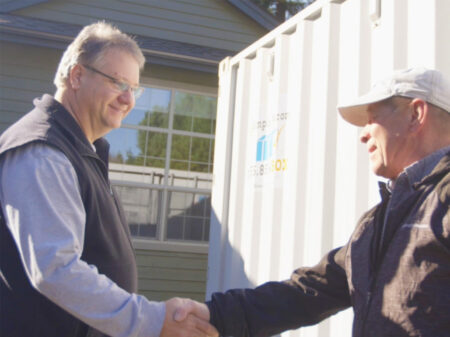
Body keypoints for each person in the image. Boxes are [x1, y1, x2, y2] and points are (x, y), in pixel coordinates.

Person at [176, 67, 450, 337]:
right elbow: (308, 292)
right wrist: (214, 315)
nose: (363, 134)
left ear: (416, 114)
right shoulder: (377, 222)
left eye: (372, 119)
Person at [0, 22, 217, 337]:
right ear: (77, 76)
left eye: (134, 89)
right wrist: (152, 320)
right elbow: (56, 270)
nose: (128, 100)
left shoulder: (82, 150)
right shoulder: (44, 152)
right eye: (118, 83)